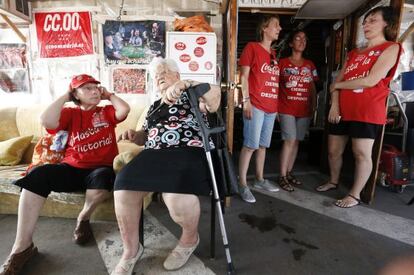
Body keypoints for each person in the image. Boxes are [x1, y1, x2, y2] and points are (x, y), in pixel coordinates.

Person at [0, 74, 130, 274]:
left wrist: (109, 94)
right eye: (86, 88)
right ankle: (22, 247)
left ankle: (83, 217)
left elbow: (124, 110)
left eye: (96, 87)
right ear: (75, 94)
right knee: (37, 176)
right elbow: (46, 120)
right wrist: (65, 96)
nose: (94, 91)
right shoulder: (70, 113)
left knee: (104, 178)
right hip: (71, 167)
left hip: (100, 168)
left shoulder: (106, 111)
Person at [110, 57, 221, 275]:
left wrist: (185, 85)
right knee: (123, 185)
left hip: (188, 150)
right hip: (154, 154)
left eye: (165, 71)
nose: (159, 76)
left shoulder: (193, 94)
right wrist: (136, 135)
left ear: (177, 75)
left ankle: (190, 239)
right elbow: (145, 137)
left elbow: (215, 98)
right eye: (156, 74)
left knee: (177, 197)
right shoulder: (154, 106)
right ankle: (131, 250)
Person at [316, 6, 401, 208]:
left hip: (367, 110)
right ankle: (333, 181)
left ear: (386, 23)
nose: (366, 24)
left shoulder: (391, 47)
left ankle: (354, 194)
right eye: (365, 21)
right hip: (343, 109)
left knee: (361, 153)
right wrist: (334, 106)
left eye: (372, 20)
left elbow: (371, 80)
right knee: (333, 151)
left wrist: (338, 86)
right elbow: (338, 80)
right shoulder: (354, 53)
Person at [238, 15, 282, 203]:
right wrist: (246, 100)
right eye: (275, 25)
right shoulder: (252, 48)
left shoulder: (273, 53)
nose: (279, 29)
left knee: (263, 146)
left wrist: (276, 107)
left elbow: (273, 82)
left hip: (271, 107)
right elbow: (244, 77)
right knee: (250, 146)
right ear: (265, 28)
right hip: (255, 105)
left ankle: (259, 179)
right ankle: (242, 184)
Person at [278, 30, 318, 192]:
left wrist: (314, 106)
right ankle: (282, 176)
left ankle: (289, 172)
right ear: (290, 43)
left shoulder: (310, 65)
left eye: (304, 39)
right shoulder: (282, 63)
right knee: (289, 140)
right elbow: (274, 86)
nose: (302, 41)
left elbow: (313, 87)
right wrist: (274, 109)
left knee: (296, 141)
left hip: (304, 109)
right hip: (286, 108)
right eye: (298, 38)